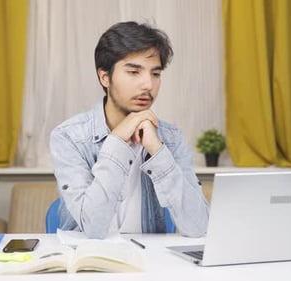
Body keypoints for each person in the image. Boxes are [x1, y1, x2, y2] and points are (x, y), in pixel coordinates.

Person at [50, 21, 209, 239]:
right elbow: (93, 228)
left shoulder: (170, 139)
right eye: (134, 72)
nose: (148, 85)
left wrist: (157, 149)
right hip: (88, 264)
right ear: (105, 77)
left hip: (150, 265)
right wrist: (116, 142)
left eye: (155, 74)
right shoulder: (69, 136)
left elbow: (199, 227)